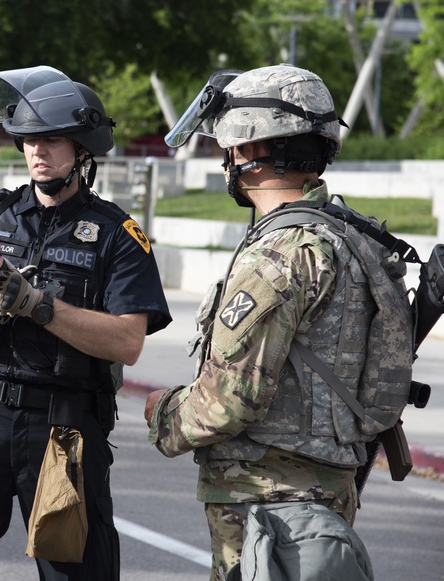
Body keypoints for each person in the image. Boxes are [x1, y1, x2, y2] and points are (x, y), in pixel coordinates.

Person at [144, 64, 410, 580]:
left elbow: (229, 401)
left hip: (266, 505)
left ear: (247, 150)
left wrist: (164, 415)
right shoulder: (352, 238)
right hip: (324, 492)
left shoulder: (278, 255)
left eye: (229, 147)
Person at [0, 65, 172, 581]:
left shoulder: (119, 235)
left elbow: (128, 342)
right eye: (27, 139)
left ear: (82, 149)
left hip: (62, 426)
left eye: (50, 139)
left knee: (75, 569)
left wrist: (37, 304)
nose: (36, 151)